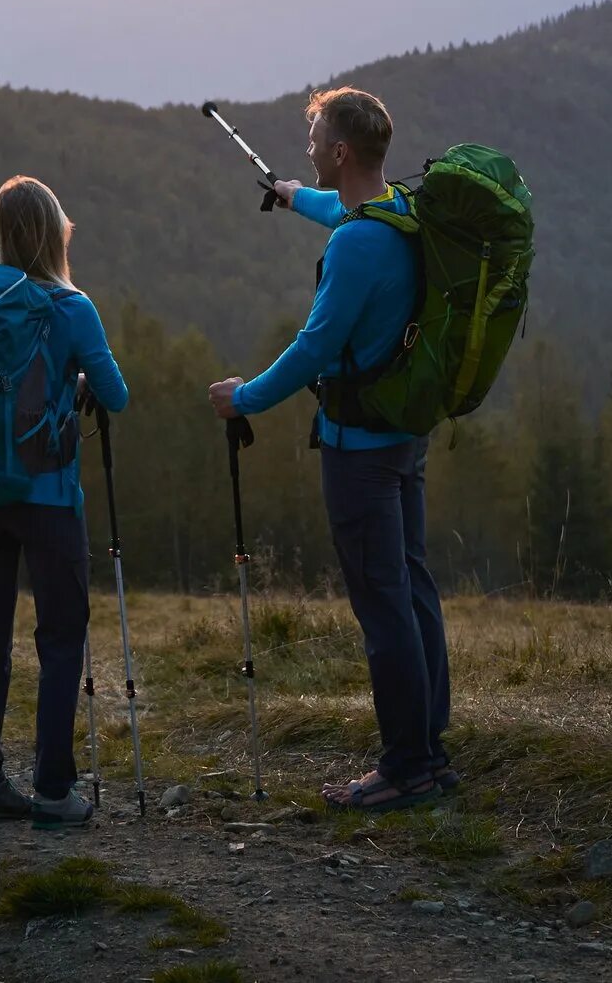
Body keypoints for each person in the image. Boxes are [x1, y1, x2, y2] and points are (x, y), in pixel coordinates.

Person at [207, 86, 451, 812]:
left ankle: (407, 765)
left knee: (383, 609)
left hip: (359, 451)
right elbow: (341, 210)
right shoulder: (401, 212)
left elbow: (316, 346)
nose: (307, 147)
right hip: (404, 437)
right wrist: (290, 196)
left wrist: (244, 395)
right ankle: (429, 747)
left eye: (313, 138)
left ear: (340, 151)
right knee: (412, 587)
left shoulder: (354, 244)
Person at [0, 176, 129, 827]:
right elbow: (115, 396)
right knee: (60, 636)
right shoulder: (71, 307)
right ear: (54, 233)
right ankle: (54, 789)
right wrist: (77, 374)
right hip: (49, 496)